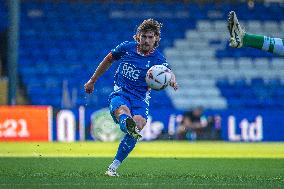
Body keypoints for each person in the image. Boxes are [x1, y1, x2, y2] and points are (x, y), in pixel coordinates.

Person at [84, 18, 178, 177]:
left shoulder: (158, 59)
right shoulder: (126, 48)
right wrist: (92, 80)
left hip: (140, 99)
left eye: (150, 37)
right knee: (123, 111)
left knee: (138, 125)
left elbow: (168, 73)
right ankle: (125, 122)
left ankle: (113, 167)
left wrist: (173, 80)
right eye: (144, 36)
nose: (146, 40)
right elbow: (107, 60)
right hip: (121, 92)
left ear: (156, 39)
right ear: (138, 36)